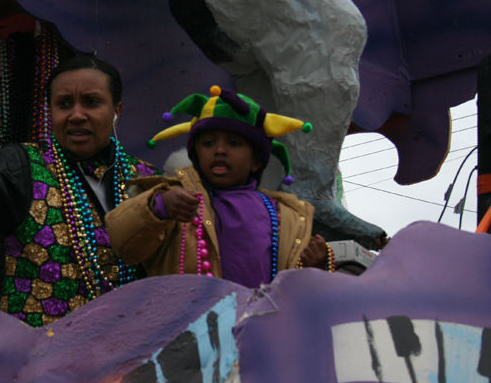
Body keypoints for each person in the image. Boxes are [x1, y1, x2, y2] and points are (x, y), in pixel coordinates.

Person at [0, 56, 157, 327]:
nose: (76, 114)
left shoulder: (144, 179)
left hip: (127, 348)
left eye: (92, 102)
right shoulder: (23, 164)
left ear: (116, 110)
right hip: (38, 357)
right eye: (63, 104)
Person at [106, 86, 333, 288]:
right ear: (196, 155)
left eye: (233, 143)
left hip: (263, 331)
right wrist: (158, 207)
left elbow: (298, 288)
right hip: (195, 330)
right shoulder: (175, 198)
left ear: (256, 161)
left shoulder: (286, 214)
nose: (219, 150)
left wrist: (315, 264)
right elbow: (123, 243)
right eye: (208, 143)